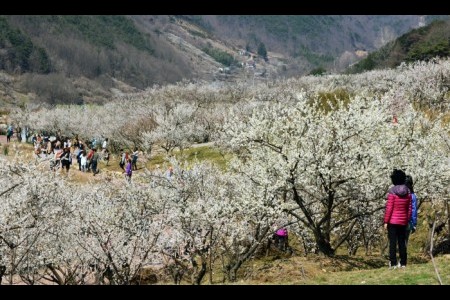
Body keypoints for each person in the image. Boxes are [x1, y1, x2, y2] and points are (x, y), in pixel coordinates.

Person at [383, 169, 412, 269]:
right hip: (403, 221)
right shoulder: (408, 192)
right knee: (402, 243)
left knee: (392, 243)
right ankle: (403, 263)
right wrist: (407, 220)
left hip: (392, 221)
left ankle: (393, 263)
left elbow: (389, 208)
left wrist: (386, 221)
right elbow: (409, 208)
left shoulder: (392, 192)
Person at [404, 175, 418, 247]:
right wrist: (414, 224)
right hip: (408, 221)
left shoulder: (397, 194)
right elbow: (414, 210)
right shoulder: (413, 196)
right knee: (405, 240)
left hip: (397, 221)